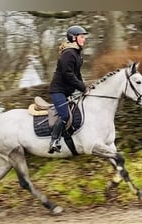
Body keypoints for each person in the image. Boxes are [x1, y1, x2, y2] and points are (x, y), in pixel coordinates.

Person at [48, 25, 89, 154]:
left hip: (67, 91)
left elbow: (77, 75)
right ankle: (54, 141)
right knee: (65, 115)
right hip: (58, 91)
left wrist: (84, 88)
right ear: (73, 38)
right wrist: (82, 87)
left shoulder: (77, 54)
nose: (84, 39)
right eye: (82, 37)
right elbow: (68, 74)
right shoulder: (68, 54)